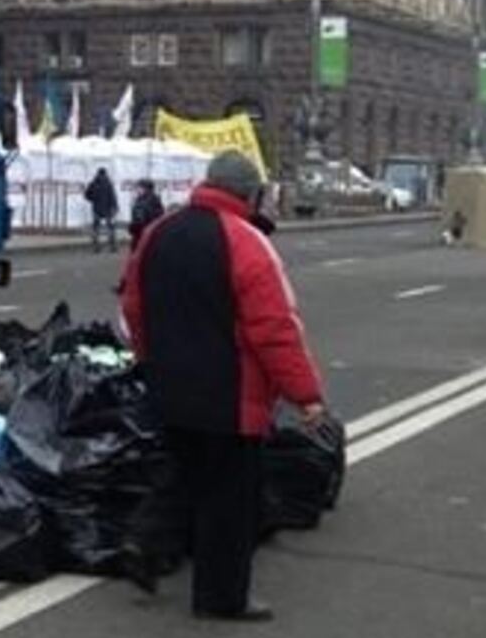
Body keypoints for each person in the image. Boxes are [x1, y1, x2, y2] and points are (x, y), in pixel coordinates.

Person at [120, 151, 326, 623]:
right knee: (229, 501)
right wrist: (306, 396)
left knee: (183, 472)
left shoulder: (158, 234)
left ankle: (145, 541)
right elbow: (274, 328)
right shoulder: (245, 242)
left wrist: (148, 361)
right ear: (248, 194)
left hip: (168, 386)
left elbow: (133, 306)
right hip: (229, 395)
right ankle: (222, 597)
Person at [83, 167, 120, 253]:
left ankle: (96, 247)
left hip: (96, 208)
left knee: (96, 228)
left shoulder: (93, 183)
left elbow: (86, 195)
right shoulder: (108, 183)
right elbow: (113, 196)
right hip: (108, 209)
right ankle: (113, 246)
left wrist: (93, 199)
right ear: (105, 173)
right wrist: (115, 207)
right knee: (111, 228)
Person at [128, 179, 166, 250]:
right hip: (152, 235)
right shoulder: (155, 200)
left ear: (146, 189)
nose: (137, 190)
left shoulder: (142, 203)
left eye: (139, 188)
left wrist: (132, 227)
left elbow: (139, 222)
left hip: (142, 235)